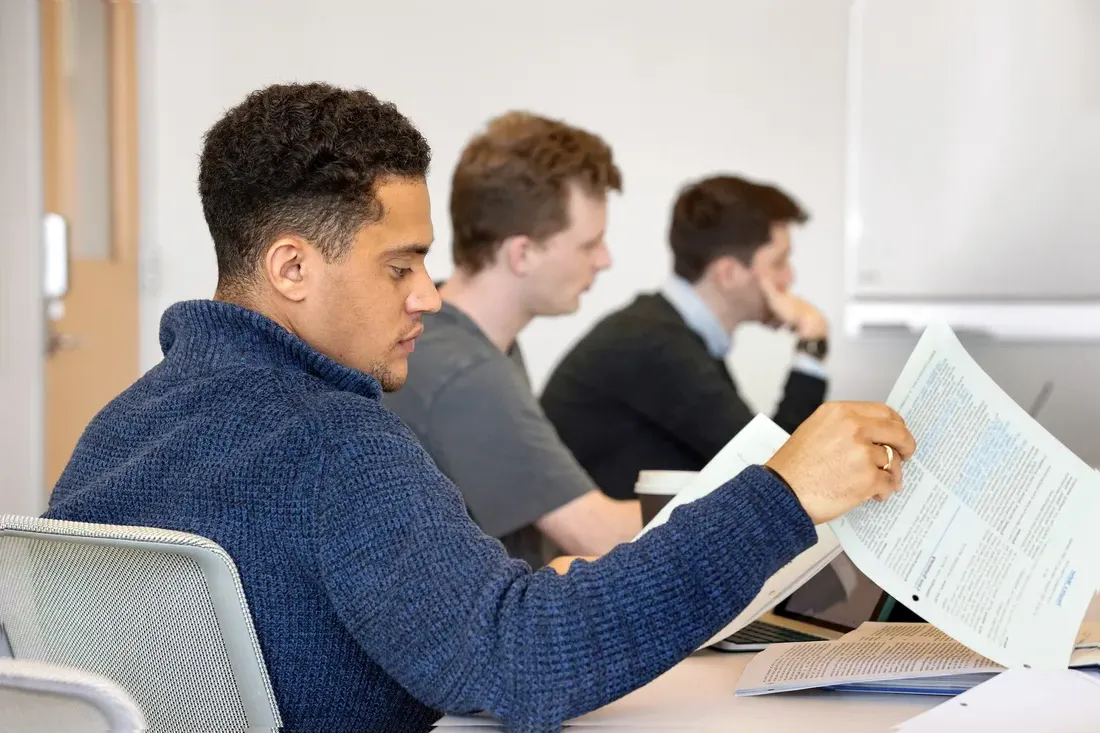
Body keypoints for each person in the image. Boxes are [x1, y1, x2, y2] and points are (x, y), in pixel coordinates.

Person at [44, 83, 915, 733]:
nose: (427, 294)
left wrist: (508, 599)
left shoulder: (113, 432)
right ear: (292, 268)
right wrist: (783, 496)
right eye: (400, 265)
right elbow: (526, 662)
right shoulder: (337, 444)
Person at [383, 112, 638, 567]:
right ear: (522, 253)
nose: (605, 260)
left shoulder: (461, 343)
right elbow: (600, 535)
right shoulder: (464, 372)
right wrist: (767, 493)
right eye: (588, 244)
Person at [541, 174, 830, 500]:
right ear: (729, 274)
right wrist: (812, 341)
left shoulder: (665, 332)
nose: (789, 277)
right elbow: (775, 474)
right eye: (779, 262)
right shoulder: (656, 345)